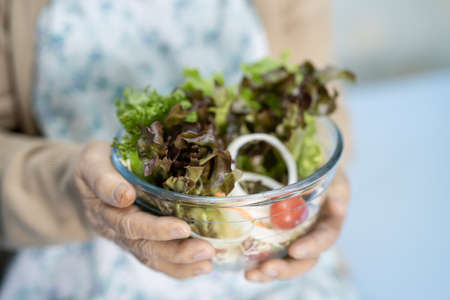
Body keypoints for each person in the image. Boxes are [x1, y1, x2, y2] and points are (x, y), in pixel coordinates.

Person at [0, 0, 355, 299]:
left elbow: (308, 99)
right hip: (72, 251)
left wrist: (322, 186)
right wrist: (74, 186)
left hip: (263, 246)